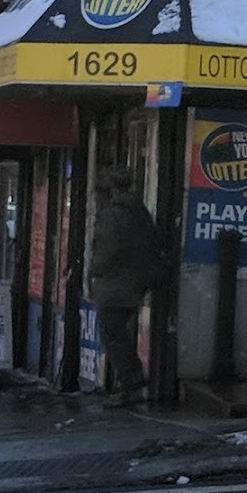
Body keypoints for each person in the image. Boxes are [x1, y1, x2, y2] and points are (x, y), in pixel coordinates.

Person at [89, 166, 165, 406]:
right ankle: (131, 382)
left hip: (117, 283)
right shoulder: (138, 211)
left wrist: (94, 270)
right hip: (136, 280)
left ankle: (132, 384)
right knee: (118, 332)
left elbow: (106, 250)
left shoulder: (113, 214)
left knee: (112, 333)